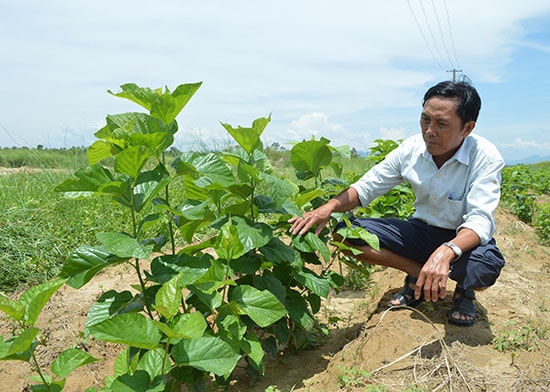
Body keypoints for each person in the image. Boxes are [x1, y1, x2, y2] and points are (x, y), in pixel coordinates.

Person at [288, 80, 506, 327]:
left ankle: (463, 291)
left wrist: (446, 252)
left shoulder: (485, 156)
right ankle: (417, 274)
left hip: (462, 240)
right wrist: (327, 208)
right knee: (345, 236)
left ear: (467, 128)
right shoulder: (411, 149)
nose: (429, 130)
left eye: (441, 124)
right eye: (425, 119)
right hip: (421, 231)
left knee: (484, 269)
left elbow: (480, 220)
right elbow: (366, 187)